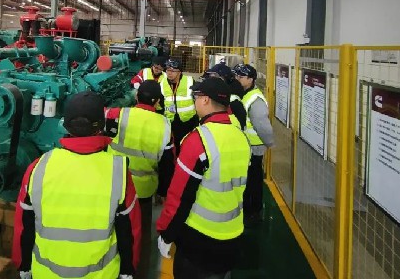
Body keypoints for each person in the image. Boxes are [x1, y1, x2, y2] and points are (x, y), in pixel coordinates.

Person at [12, 91, 141, 279]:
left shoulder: (38, 167)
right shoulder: (119, 172)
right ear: (101, 126)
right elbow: (129, 231)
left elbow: (24, 225)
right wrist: (128, 270)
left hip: (46, 274)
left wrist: (23, 264)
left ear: (65, 125)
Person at [156, 78, 251, 279]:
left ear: (206, 100)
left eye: (196, 97)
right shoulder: (241, 137)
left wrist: (167, 233)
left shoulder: (199, 140)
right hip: (233, 233)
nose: (194, 101)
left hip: (199, 239)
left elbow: (180, 195)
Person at [105, 80, 175, 279]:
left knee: (110, 229)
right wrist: (162, 191)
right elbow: (168, 164)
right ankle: (137, 271)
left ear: (136, 97)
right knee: (139, 235)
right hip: (143, 192)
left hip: (114, 184)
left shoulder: (118, 114)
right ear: (157, 102)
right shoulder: (164, 126)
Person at [232, 63, 274, 224]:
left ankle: (253, 212)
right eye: (236, 75)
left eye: (241, 76)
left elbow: (263, 127)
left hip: (254, 148)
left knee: (253, 181)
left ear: (251, 80)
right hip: (245, 146)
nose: (237, 79)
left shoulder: (255, 100)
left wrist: (269, 143)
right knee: (247, 179)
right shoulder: (242, 94)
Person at [160, 58, 198, 152]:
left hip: (188, 121)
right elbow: (160, 103)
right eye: (168, 70)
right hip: (171, 122)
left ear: (180, 72)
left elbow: (198, 100)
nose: (169, 73)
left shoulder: (190, 81)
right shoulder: (162, 83)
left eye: (173, 71)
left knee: (187, 146)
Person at [202, 63, 247, 130]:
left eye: (214, 77)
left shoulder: (234, 102)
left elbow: (240, 127)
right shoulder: (218, 94)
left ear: (224, 78)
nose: (211, 80)